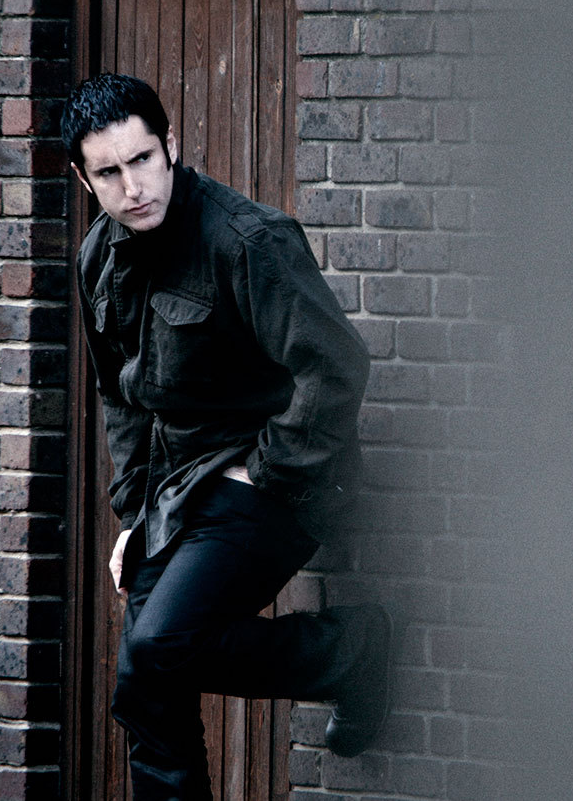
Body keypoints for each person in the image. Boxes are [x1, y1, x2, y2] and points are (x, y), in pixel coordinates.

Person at [61, 72, 393, 801]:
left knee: (156, 647)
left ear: (170, 146)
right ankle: (349, 656)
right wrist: (136, 513)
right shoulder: (97, 262)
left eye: (143, 159)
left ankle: (354, 648)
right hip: (181, 493)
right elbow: (118, 395)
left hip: (282, 479)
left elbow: (333, 368)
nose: (134, 186)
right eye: (110, 172)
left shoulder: (248, 241)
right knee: (143, 683)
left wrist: (266, 471)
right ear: (85, 181)